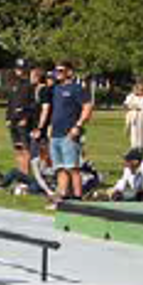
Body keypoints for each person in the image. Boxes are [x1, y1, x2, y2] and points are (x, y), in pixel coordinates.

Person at [43, 62, 93, 209]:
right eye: (56, 71)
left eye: (60, 70)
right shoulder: (56, 89)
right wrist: (50, 126)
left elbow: (88, 107)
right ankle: (62, 197)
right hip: (55, 133)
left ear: (69, 72)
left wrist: (78, 126)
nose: (57, 73)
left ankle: (78, 199)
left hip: (69, 133)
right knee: (59, 168)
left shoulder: (77, 89)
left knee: (72, 168)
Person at [5, 59, 37, 185]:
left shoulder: (29, 86)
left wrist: (26, 118)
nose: (19, 71)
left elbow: (33, 105)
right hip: (13, 121)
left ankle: (25, 177)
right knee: (17, 148)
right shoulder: (13, 84)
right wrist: (7, 118)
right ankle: (20, 175)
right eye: (18, 68)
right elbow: (10, 103)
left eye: (22, 69)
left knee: (25, 149)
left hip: (23, 122)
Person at [124, 82, 143, 152]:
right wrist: (132, 107)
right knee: (134, 136)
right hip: (134, 118)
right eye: (137, 89)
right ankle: (134, 150)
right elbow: (125, 106)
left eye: (141, 89)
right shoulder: (130, 96)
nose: (138, 91)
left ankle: (142, 151)